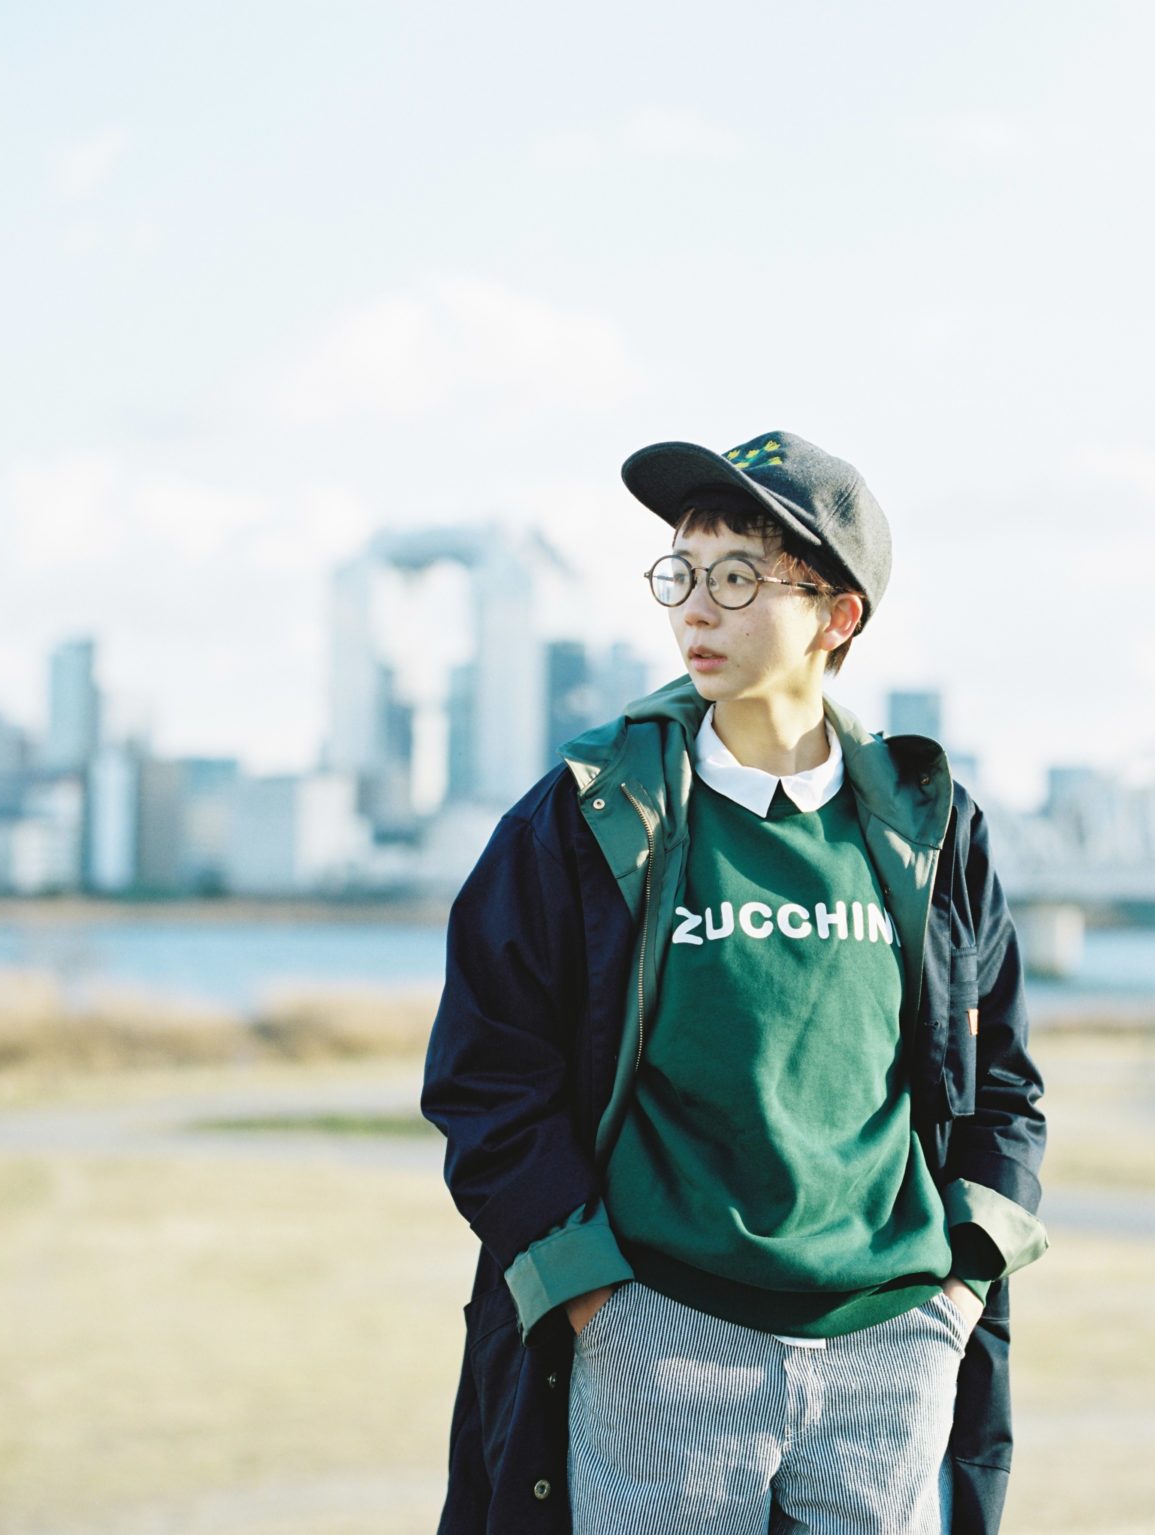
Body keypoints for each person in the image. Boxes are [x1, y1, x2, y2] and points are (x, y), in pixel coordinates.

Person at [419, 429, 1049, 1535]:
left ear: (837, 615)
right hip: (659, 1340)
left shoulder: (931, 829)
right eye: (683, 572)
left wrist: (959, 1287)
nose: (695, 610)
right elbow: (487, 1074)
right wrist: (599, 1302)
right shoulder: (589, 816)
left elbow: (1001, 1083)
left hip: (893, 1344)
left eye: (738, 577)